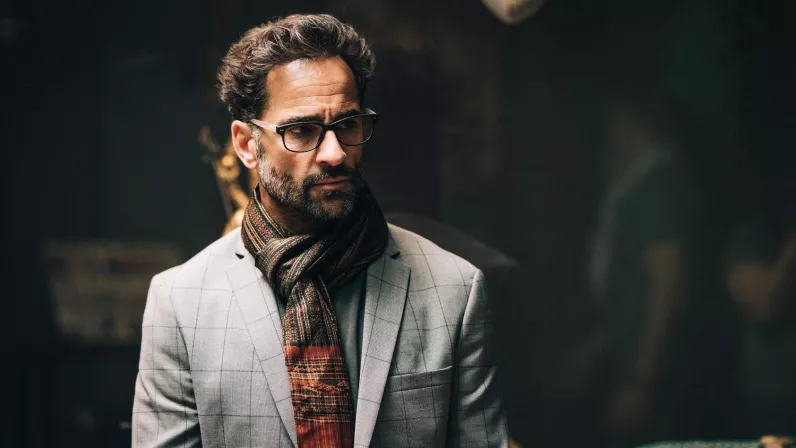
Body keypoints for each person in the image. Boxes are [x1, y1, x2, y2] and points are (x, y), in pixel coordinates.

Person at [131, 14, 507, 448]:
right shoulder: (182, 302)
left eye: (346, 125)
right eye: (302, 130)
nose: (334, 153)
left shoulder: (453, 288)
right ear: (247, 145)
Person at [588, 96, 693, 447]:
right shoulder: (638, 179)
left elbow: (667, 284)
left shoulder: (657, 184)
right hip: (631, 359)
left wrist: (640, 381)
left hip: (651, 369)